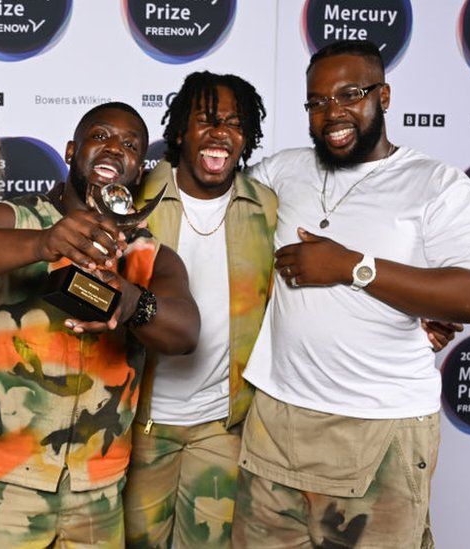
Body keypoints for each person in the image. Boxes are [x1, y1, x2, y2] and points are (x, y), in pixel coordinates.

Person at [233, 40, 470, 548]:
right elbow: (208, 205)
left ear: (383, 95)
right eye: (316, 102)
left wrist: (352, 267)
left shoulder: (436, 185)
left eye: (349, 94)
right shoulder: (282, 171)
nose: (332, 112)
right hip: (275, 422)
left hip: (378, 427)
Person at [0, 102, 201, 547]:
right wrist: (43, 242)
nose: (115, 148)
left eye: (130, 144)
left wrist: (132, 302)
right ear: (72, 150)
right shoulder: (14, 218)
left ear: (139, 171)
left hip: (98, 491)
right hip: (1, 482)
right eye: (101, 136)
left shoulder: (152, 255)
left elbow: (185, 333)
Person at [122, 72, 276, 548]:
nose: (219, 134)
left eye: (232, 123)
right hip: (140, 423)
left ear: (246, 136)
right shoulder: (134, 201)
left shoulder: (266, 208)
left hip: (221, 428)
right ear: (180, 132)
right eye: (205, 120)